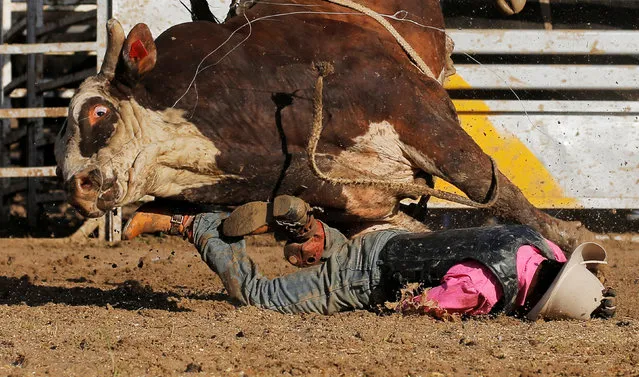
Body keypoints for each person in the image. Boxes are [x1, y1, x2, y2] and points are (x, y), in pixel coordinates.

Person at [123, 195, 616, 320]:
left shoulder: (537, 242)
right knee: (259, 296)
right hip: (366, 276)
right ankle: (194, 224)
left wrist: (593, 293)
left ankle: (307, 229)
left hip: (387, 240)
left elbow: (569, 262)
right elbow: (424, 305)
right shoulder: (485, 288)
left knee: (355, 257)